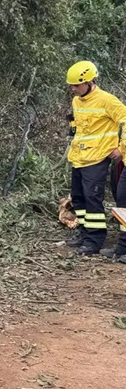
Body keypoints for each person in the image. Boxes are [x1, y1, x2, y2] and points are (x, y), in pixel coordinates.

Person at [64, 60, 126, 255]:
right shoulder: (76, 101)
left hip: (98, 157)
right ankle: (83, 233)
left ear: (90, 82)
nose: (73, 89)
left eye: (76, 85)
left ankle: (94, 240)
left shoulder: (107, 100)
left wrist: (121, 148)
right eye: (71, 85)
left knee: (92, 198)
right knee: (79, 198)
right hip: (79, 156)